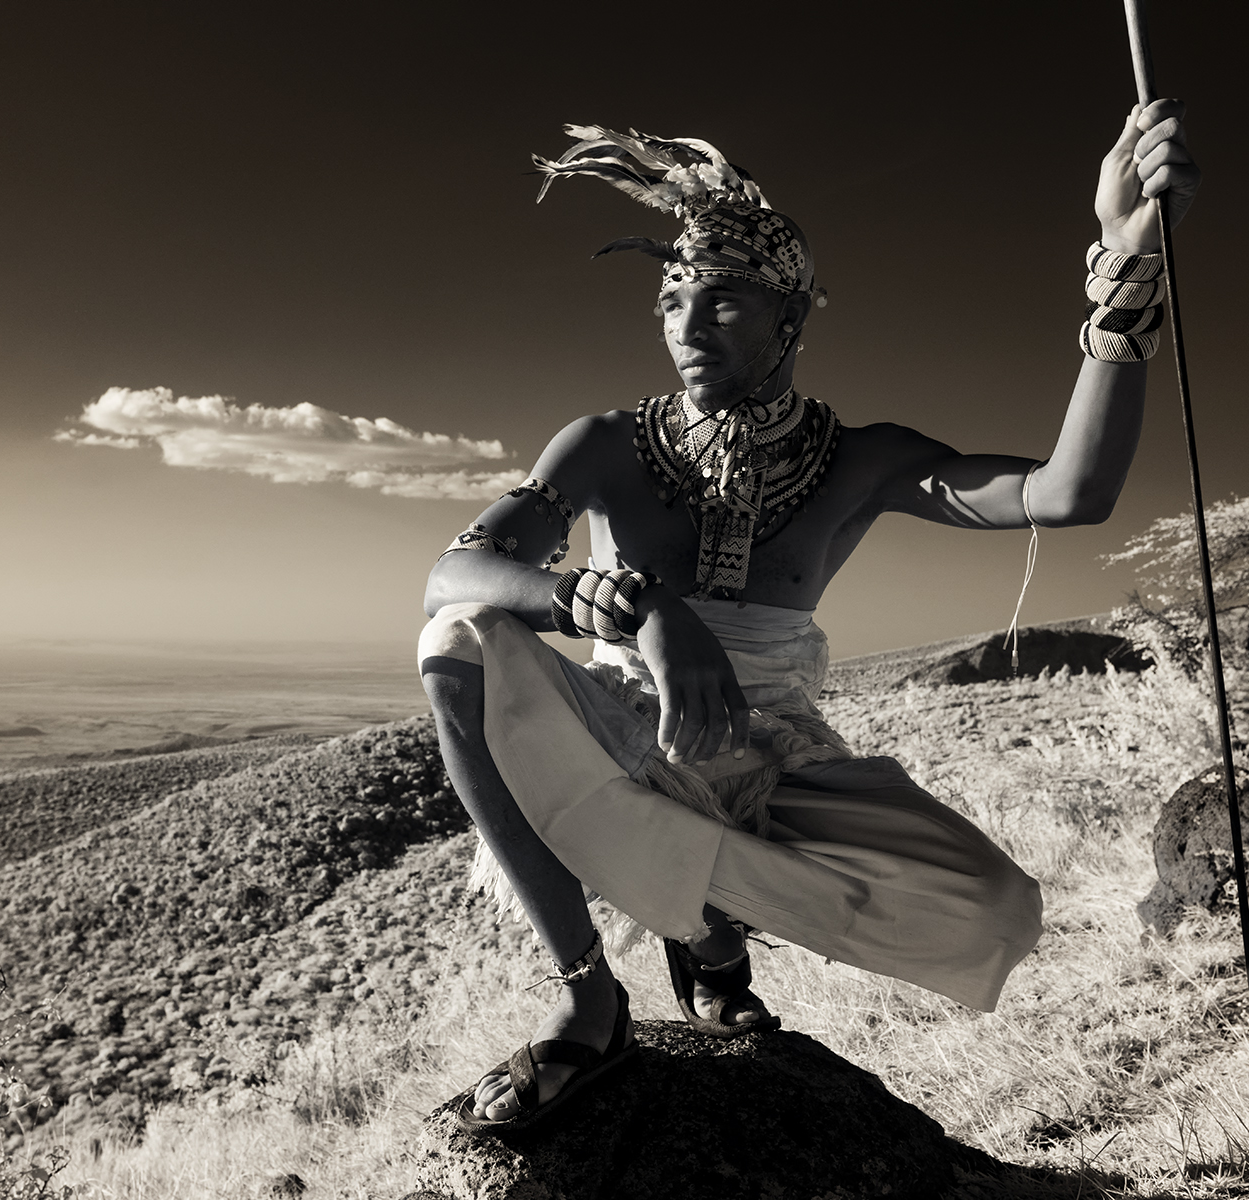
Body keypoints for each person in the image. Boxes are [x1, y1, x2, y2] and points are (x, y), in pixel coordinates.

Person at [418, 107, 1199, 1131]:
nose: (687, 329)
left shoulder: (864, 458)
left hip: (772, 758)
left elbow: (1070, 493)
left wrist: (1125, 266)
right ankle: (589, 994)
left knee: (996, 909)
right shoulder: (606, 443)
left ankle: (706, 930)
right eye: (670, 301)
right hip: (619, 726)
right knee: (456, 646)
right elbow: (455, 572)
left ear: (790, 319)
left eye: (723, 305)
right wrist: (634, 609)